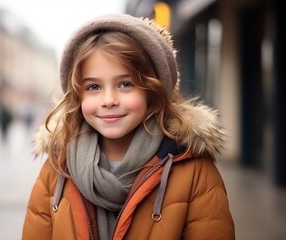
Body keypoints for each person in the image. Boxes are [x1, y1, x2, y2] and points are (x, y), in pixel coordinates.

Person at [22, 14, 235, 240]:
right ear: (77, 95)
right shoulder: (57, 169)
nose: (109, 100)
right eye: (93, 87)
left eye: (125, 84)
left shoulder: (194, 171)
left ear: (151, 91)